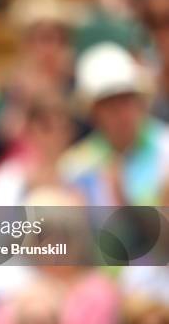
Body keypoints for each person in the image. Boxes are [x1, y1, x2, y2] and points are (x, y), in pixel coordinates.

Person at [61, 42, 169, 205]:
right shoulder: (76, 167)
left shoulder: (165, 148)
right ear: (94, 113)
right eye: (110, 105)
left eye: (126, 101)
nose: (122, 113)